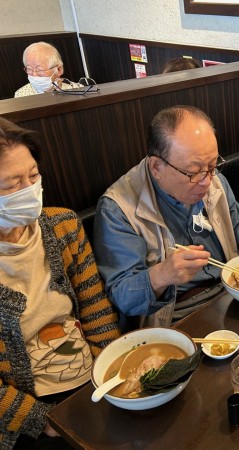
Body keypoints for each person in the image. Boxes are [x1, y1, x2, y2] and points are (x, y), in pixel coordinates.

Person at [94, 105, 239, 330]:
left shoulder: (211, 177)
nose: (207, 181)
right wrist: (162, 275)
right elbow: (122, 296)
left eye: (213, 166)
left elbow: (235, 218)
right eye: (193, 172)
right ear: (157, 167)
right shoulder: (118, 209)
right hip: (178, 318)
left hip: (232, 293)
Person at [0, 117, 120, 449]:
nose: (28, 190)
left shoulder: (63, 227)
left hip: (92, 381)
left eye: (33, 176)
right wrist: (44, 421)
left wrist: (108, 371)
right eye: (11, 184)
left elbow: (96, 310)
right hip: (30, 413)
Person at [15, 42, 83, 97]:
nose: (34, 75)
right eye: (29, 69)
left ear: (59, 70)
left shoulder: (79, 90)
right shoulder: (21, 95)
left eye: (40, 70)